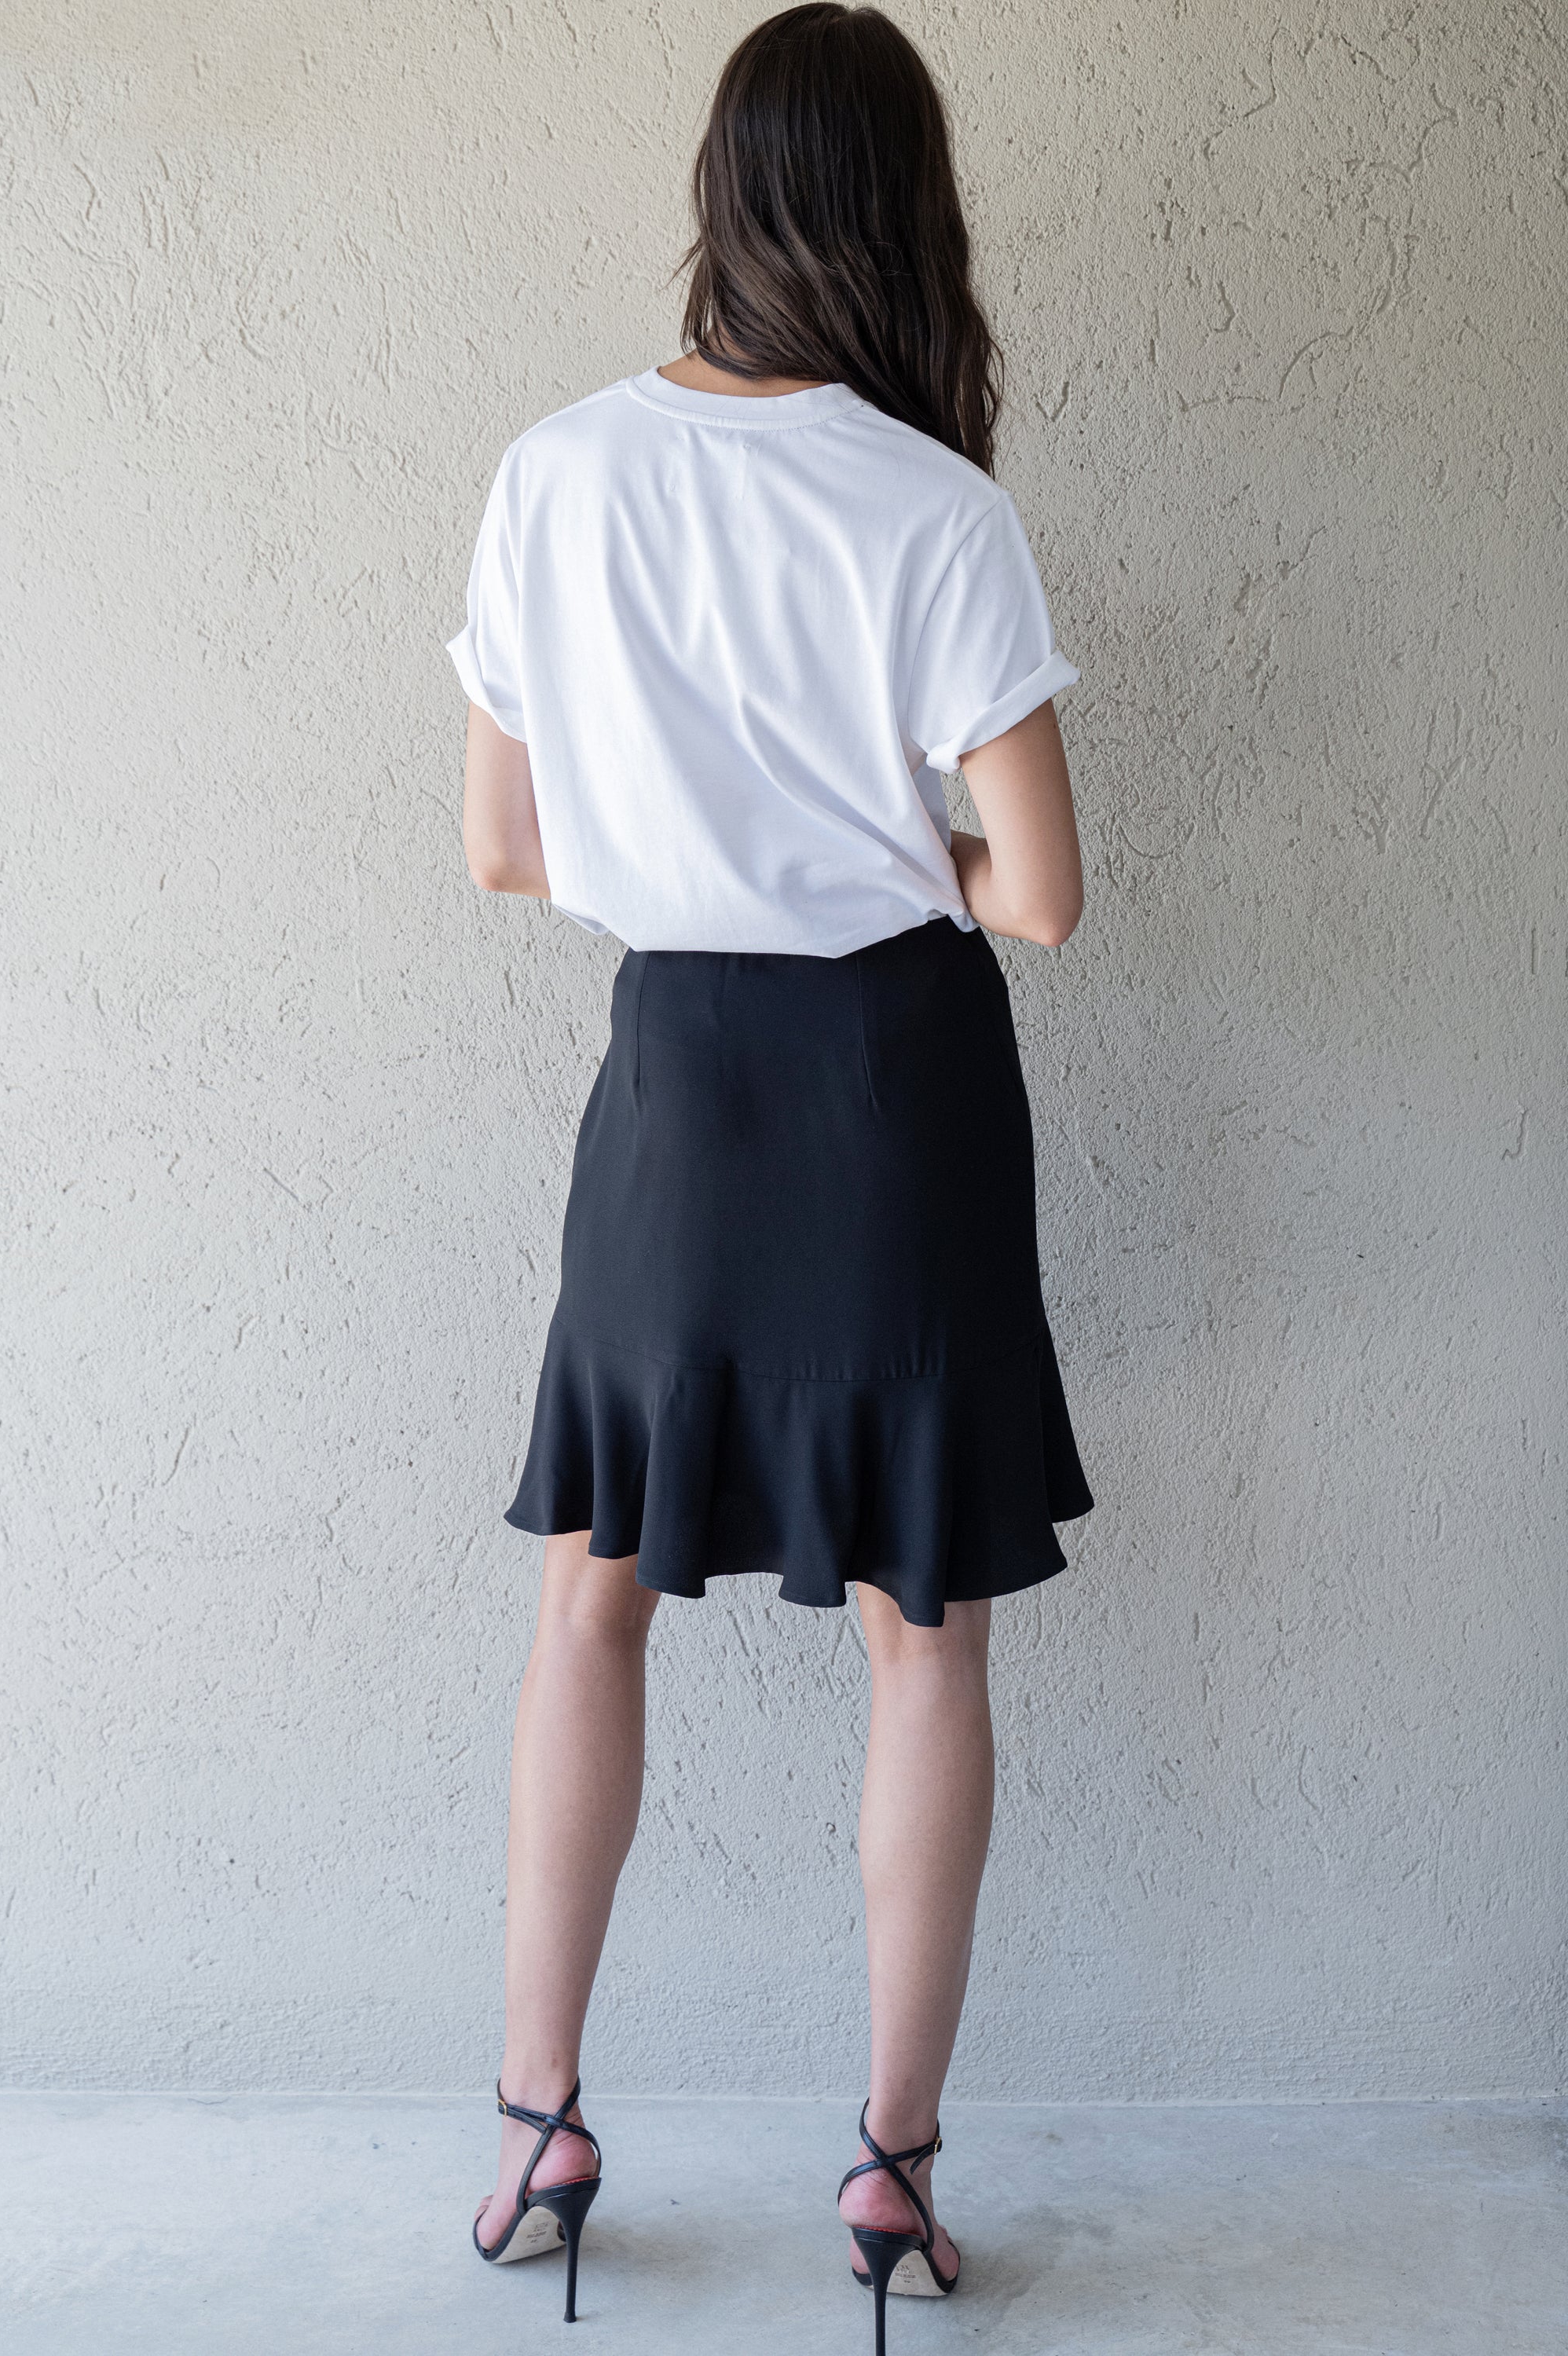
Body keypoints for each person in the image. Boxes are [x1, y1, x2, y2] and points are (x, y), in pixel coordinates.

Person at [446, 6, 1093, 2343]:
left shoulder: (555, 471)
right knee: (927, 1634)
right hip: (893, 1089)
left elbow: (504, 847)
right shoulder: (933, 508)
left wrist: (698, 846)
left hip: (676, 1094)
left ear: (722, 197)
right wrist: (882, 846)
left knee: (592, 1599)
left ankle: (537, 2124)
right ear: (906, 215)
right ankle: (891, 2174)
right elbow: (1038, 895)